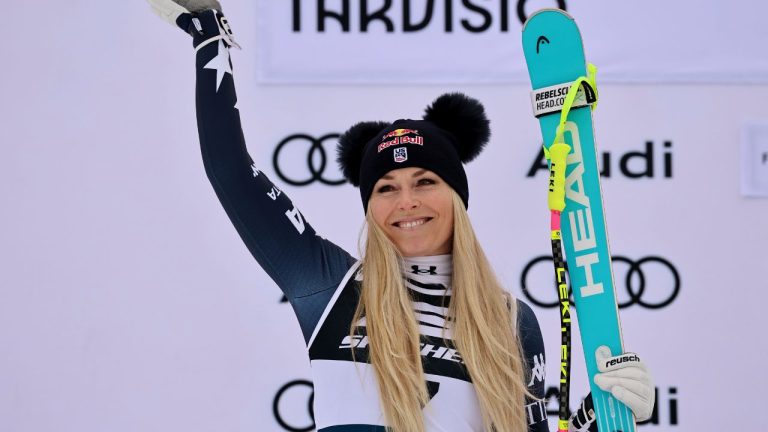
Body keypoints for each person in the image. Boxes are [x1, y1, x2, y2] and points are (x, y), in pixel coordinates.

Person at [145, 1, 655, 431]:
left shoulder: (510, 321)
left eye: (425, 182)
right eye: (386, 188)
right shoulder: (331, 288)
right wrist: (208, 33)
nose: (406, 201)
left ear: (456, 199)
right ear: (370, 208)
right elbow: (231, 172)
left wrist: (599, 417)